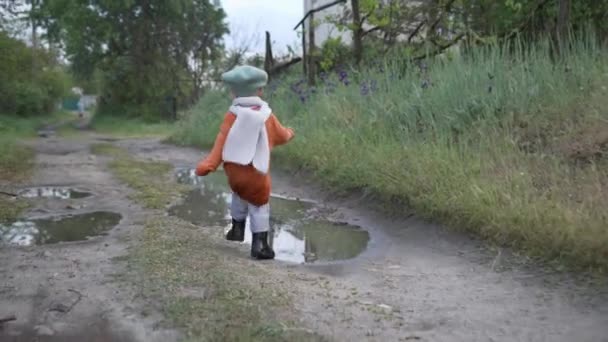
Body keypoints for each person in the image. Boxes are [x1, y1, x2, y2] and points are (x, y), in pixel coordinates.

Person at [195, 65, 295, 260]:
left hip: (234, 174)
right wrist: (290, 133)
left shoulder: (232, 115)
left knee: (239, 195)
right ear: (259, 91)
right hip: (257, 175)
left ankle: (237, 230)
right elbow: (281, 135)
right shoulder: (267, 116)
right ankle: (260, 244)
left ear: (233, 93)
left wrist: (209, 164)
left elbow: (221, 142)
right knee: (259, 204)